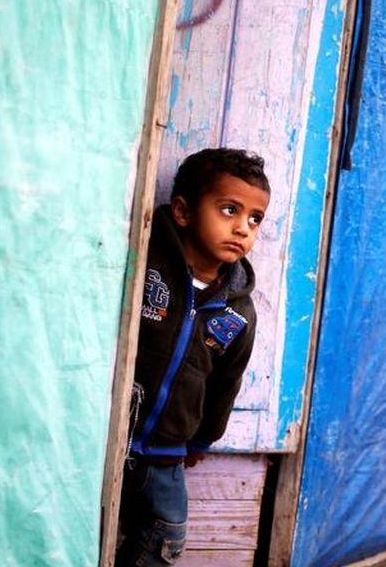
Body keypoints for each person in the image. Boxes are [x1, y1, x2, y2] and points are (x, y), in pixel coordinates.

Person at [116, 148, 270, 566]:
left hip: (166, 454)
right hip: (106, 440)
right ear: (183, 211)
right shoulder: (146, 263)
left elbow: (226, 383)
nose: (243, 228)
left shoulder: (238, 311)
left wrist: (203, 437)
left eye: (254, 218)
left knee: (166, 534)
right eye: (228, 210)